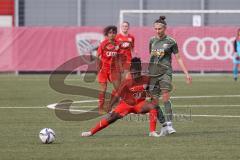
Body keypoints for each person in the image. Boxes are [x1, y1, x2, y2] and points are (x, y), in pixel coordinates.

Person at [81, 57, 174, 137]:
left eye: (136, 73)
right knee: (111, 118)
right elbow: (117, 95)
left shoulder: (147, 79)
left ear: (140, 71)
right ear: (130, 72)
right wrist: (110, 107)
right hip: (126, 105)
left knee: (153, 106)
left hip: (139, 104)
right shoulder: (126, 82)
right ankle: (91, 132)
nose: (134, 75)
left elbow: (155, 88)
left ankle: (152, 131)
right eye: (132, 73)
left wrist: (153, 92)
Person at [148, 16, 192, 133]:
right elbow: (151, 58)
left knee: (166, 96)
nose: (157, 31)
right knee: (154, 101)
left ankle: (169, 124)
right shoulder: (152, 40)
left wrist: (186, 73)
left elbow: (179, 58)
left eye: (160, 29)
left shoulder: (171, 42)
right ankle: (164, 124)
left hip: (165, 72)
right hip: (153, 74)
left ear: (165, 28)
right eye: (156, 29)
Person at [97, 25, 122, 114]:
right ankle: (100, 107)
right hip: (104, 69)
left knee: (118, 88)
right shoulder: (103, 44)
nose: (112, 34)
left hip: (114, 70)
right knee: (103, 89)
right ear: (107, 34)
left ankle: (110, 105)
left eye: (114, 32)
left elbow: (120, 57)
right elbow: (98, 56)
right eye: (110, 33)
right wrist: (98, 68)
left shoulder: (118, 44)